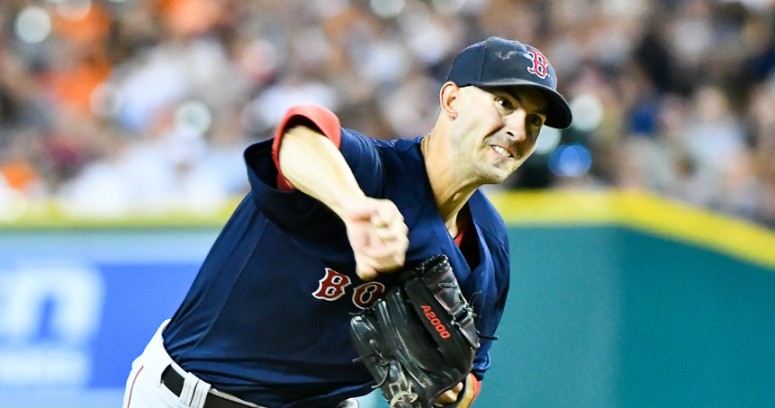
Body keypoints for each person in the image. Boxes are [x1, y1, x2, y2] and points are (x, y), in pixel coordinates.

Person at [122, 36, 572, 408]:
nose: (519, 128)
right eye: (503, 102)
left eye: (534, 120)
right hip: (196, 395)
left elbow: (471, 373)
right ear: (451, 99)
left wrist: (454, 392)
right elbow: (299, 134)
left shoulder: (488, 248)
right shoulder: (373, 170)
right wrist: (353, 205)